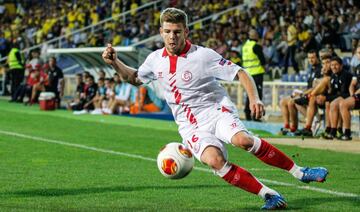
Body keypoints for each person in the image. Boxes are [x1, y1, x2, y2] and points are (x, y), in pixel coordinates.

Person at [102, 8, 328, 210]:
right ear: (161, 32)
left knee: (243, 140)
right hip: (189, 125)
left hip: (215, 111)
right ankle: (269, 195)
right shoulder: (154, 60)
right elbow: (133, 78)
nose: (172, 37)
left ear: (186, 32)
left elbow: (240, 72)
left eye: (177, 32)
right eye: (168, 31)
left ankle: (300, 172)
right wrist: (114, 62)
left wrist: (254, 99)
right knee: (214, 161)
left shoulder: (203, 56)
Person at [241, 29, 266, 121]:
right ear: (255, 36)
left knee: (249, 94)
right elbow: (263, 61)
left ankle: (247, 114)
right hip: (257, 73)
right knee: (257, 96)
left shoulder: (244, 47)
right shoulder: (256, 46)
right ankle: (256, 117)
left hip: (247, 74)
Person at [339, 65, 360, 140]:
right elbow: (352, 84)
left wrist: (355, 95)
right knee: (343, 104)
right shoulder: (358, 67)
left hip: (358, 93)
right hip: (357, 94)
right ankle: (347, 133)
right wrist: (352, 95)